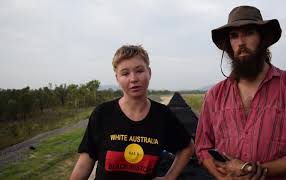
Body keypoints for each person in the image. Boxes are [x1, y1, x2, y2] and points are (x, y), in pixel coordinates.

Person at [195, 5, 286, 180]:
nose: (241, 42)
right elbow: (202, 149)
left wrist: (256, 170)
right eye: (234, 36)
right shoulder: (214, 95)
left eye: (249, 33)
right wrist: (223, 178)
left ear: (263, 38)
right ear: (229, 44)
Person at [70, 45, 194, 180]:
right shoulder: (103, 113)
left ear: (149, 73)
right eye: (125, 73)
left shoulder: (163, 115)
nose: (133, 79)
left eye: (139, 71)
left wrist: (169, 177)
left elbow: (187, 147)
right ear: (117, 78)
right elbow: (85, 161)